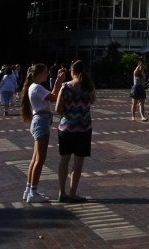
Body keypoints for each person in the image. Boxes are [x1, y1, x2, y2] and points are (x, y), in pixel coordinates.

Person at [20, 62, 65, 203]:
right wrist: (58, 82)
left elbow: (51, 96)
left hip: (39, 120)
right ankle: (33, 192)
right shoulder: (37, 88)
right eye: (45, 72)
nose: (47, 74)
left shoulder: (34, 87)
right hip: (41, 121)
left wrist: (57, 82)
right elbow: (54, 97)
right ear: (39, 74)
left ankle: (29, 190)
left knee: (35, 158)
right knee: (40, 159)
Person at [55, 60, 96, 203]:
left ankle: (62, 192)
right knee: (78, 164)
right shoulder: (88, 85)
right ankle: (72, 194)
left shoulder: (65, 87)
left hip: (66, 128)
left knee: (64, 161)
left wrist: (68, 110)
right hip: (83, 129)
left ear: (72, 71)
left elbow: (57, 109)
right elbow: (93, 101)